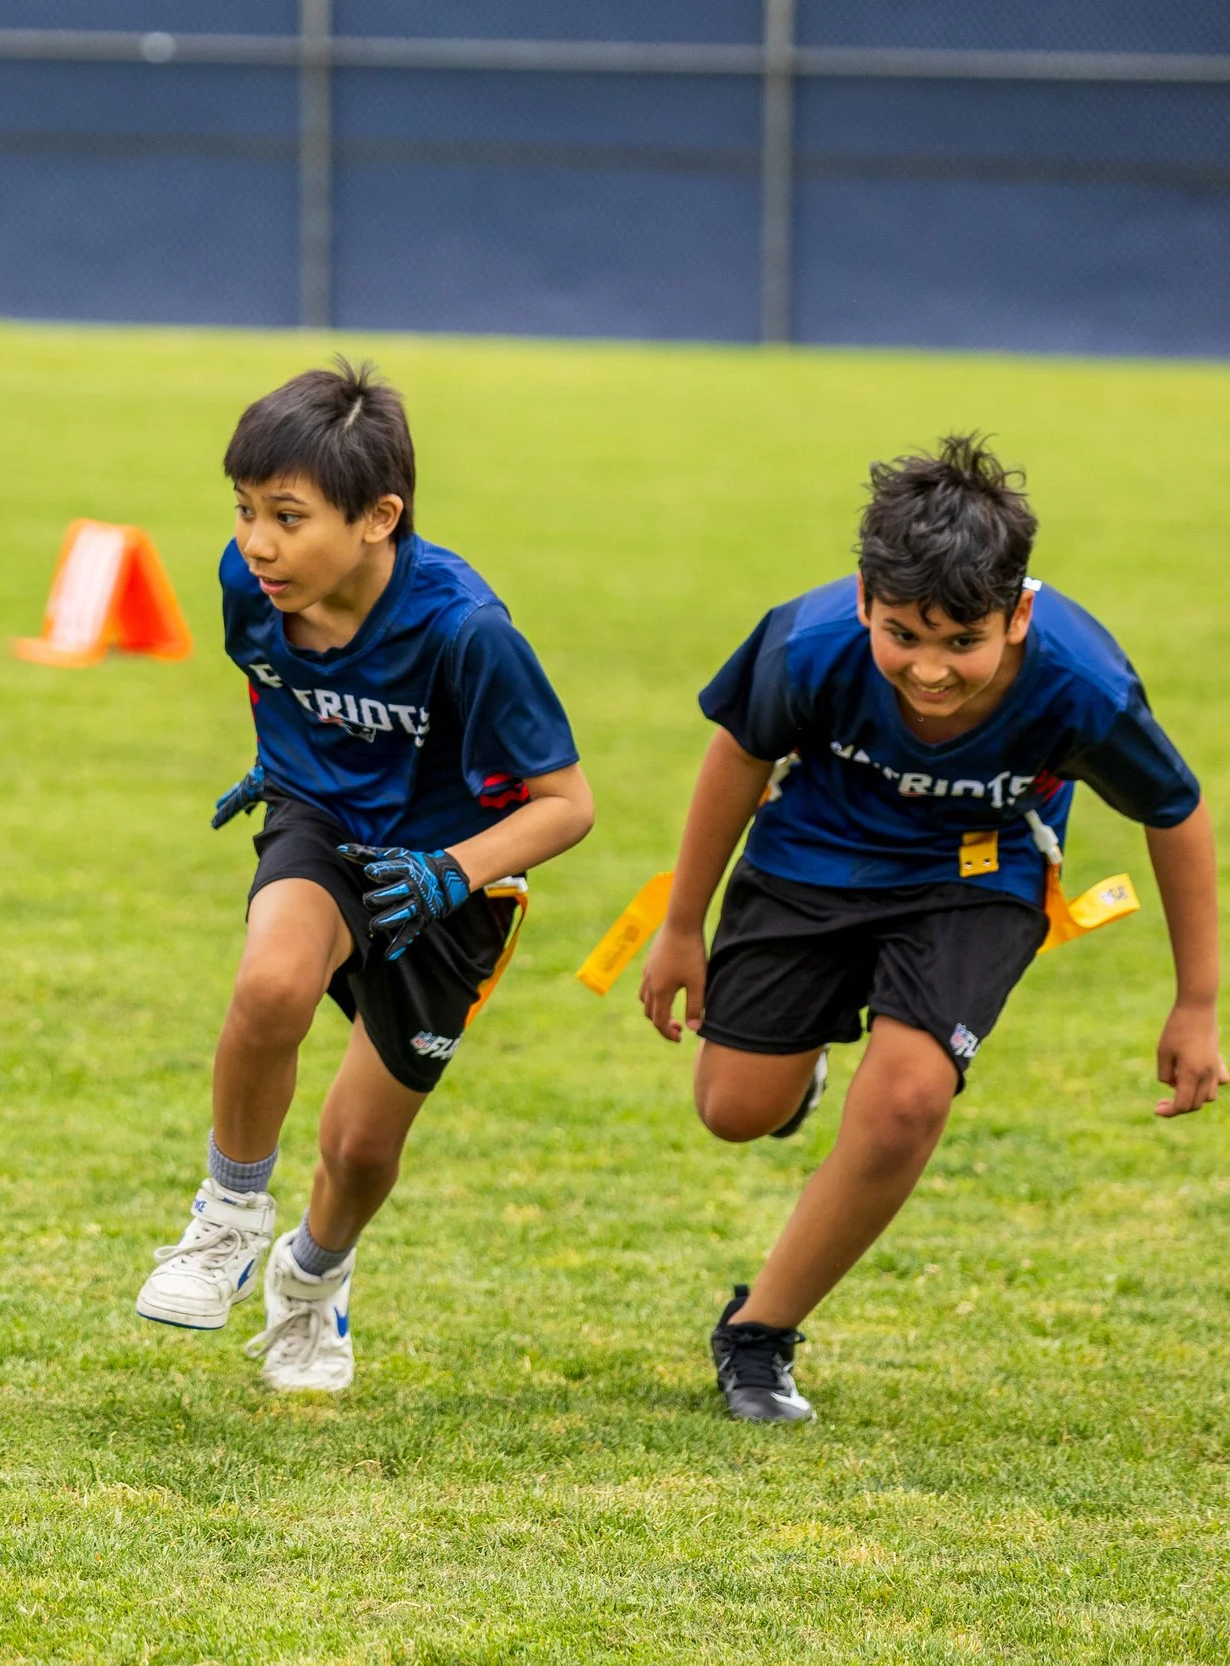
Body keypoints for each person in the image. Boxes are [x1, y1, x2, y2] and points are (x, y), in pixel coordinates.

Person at [640, 434, 1220, 1424]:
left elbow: (1175, 811)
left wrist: (1197, 1002)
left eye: (962, 642)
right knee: (734, 1110)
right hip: (813, 852)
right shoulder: (807, 642)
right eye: (903, 634)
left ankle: (759, 1334)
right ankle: (800, 1067)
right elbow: (739, 754)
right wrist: (680, 926)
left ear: (1017, 613)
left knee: (907, 1100)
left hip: (977, 871)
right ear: (865, 598)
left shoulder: (1080, 682)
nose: (930, 668)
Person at [135, 360, 594, 1393]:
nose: (257, 542)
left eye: (287, 516)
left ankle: (311, 1278)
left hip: (455, 879)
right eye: (244, 509)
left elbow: (567, 803)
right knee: (271, 984)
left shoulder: (465, 629)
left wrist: (447, 873)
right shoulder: (249, 585)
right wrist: (285, 763)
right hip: (326, 829)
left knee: (359, 1151)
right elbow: (278, 684)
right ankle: (227, 1218)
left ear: (379, 517)